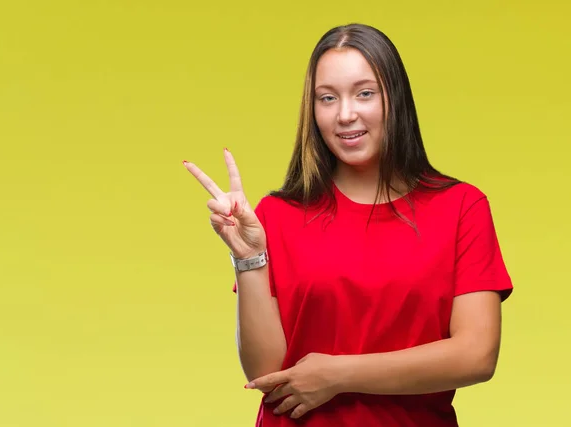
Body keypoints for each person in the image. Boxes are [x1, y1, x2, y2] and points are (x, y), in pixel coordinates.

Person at [183, 23, 513, 427]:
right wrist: (249, 256)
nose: (345, 114)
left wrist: (337, 375)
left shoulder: (461, 207)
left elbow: (476, 355)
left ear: (396, 99)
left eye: (364, 93)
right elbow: (264, 373)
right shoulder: (276, 214)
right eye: (327, 98)